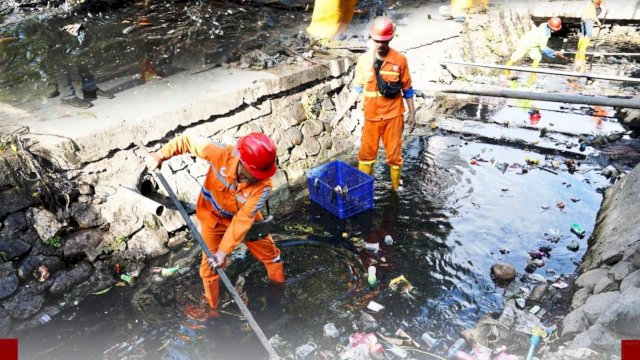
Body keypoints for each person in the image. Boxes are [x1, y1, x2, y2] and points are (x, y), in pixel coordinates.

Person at [149, 132, 285, 317]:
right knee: (210, 268)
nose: (258, 178)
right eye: (255, 174)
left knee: (270, 255)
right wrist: (160, 155)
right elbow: (187, 141)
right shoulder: (221, 153)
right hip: (213, 221)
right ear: (243, 162)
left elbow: (243, 220)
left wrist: (223, 251)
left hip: (246, 220)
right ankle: (213, 311)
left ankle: (277, 293)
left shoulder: (264, 187)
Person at [331, 16, 416, 192]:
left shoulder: (400, 61)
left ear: (391, 38)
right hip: (371, 117)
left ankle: (394, 189)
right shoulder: (364, 61)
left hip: (393, 116)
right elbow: (357, 89)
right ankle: (363, 192)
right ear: (372, 38)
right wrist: (342, 112)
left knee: (394, 155)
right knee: (366, 155)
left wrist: (413, 114)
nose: (380, 44)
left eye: (383, 41)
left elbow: (408, 89)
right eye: (377, 40)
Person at [504, 17, 568, 84]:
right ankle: (506, 72)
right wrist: (554, 52)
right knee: (515, 57)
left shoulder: (544, 24)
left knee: (537, 57)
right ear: (553, 29)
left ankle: (532, 78)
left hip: (533, 45)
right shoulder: (544, 35)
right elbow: (543, 48)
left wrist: (553, 52)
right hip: (525, 42)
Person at [575, 0, 608, 72]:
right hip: (588, 20)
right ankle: (582, 56)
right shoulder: (593, 7)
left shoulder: (589, 5)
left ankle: (578, 55)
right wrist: (600, 24)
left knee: (582, 36)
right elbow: (594, 17)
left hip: (583, 20)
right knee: (588, 36)